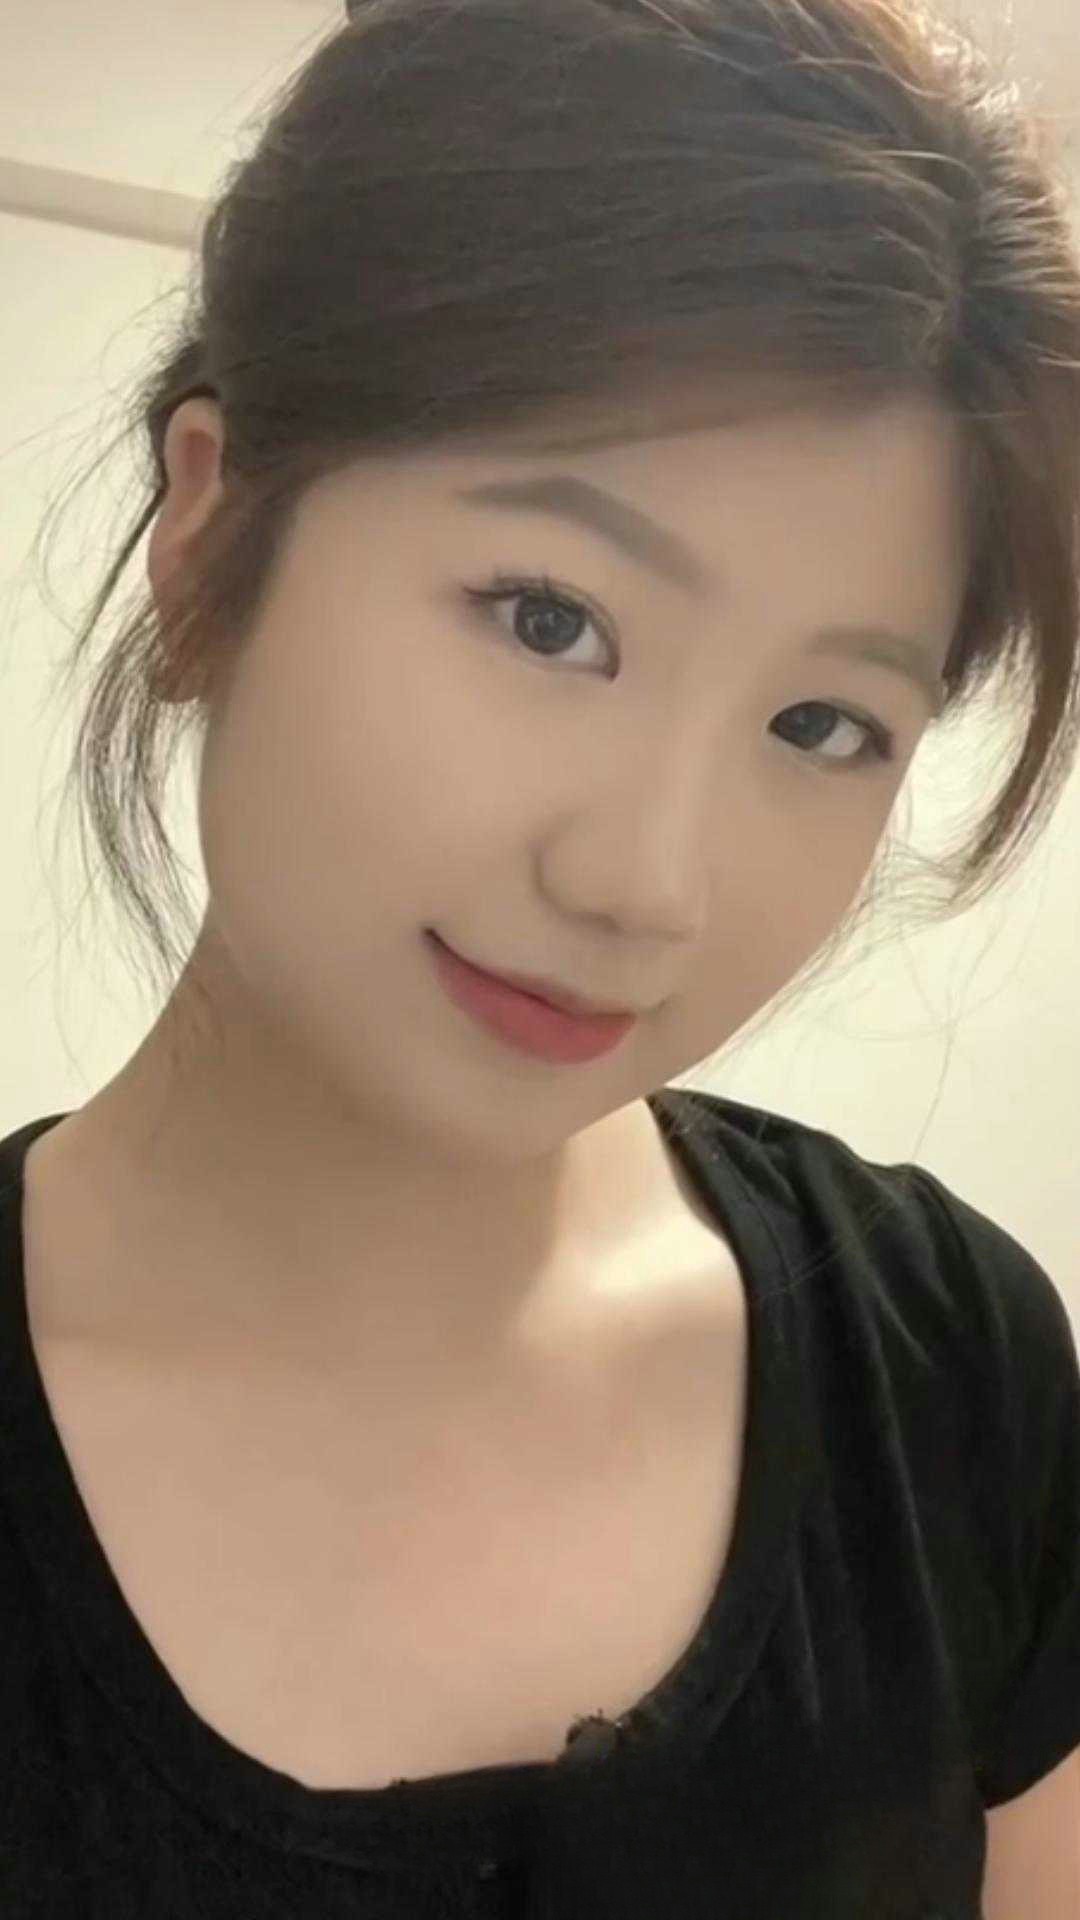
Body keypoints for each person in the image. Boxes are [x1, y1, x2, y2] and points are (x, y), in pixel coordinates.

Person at [2, 1, 1078, 1913]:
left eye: (821, 725)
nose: (646, 882)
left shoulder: (952, 1364)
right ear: (209, 533)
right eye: (548, 617)